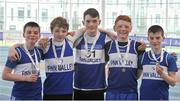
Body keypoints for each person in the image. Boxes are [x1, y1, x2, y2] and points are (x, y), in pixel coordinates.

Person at [73, 8, 112, 100]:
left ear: (99, 22)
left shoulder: (105, 38)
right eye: (88, 21)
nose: (91, 24)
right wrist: (78, 32)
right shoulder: (78, 38)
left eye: (94, 21)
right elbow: (64, 41)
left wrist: (104, 30)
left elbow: (117, 37)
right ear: (83, 23)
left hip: (98, 87)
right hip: (80, 86)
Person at [104, 15, 145, 100]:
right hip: (112, 92)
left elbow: (140, 69)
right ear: (114, 28)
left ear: (130, 28)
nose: (123, 29)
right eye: (120, 26)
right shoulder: (108, 46)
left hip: (130, 92)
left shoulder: (138, 46)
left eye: (126, 26)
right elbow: (101, 66)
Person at [2, 22, 43, 100]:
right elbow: (5, 75)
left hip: (37, 96)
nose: (32, 34)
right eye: (29, 32)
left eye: (35, 32)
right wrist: (25, 78)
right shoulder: (16, 52)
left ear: (39, 36)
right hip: (20, 96)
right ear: (23, 34)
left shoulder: (39, 51)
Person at [139, 25, 178, 100]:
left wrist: (162, 74)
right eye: (151, 38)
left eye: (157, 38)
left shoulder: (169, 58)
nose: (154, 41)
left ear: (163, 38)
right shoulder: (143, 57)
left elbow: (173, 83)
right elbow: (136, 76)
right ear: (148, 39)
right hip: (144, 98)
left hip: (161, 98)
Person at [42, 16, 74, 100]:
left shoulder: (70, 41)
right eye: (57, 31)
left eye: (63, 31)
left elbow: (87, 28)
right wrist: (13, 48)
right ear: (51, 31)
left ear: (67, 31)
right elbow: (28, 47)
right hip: (50, 91)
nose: (60, 34)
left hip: (67, 92)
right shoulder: (45, 44)